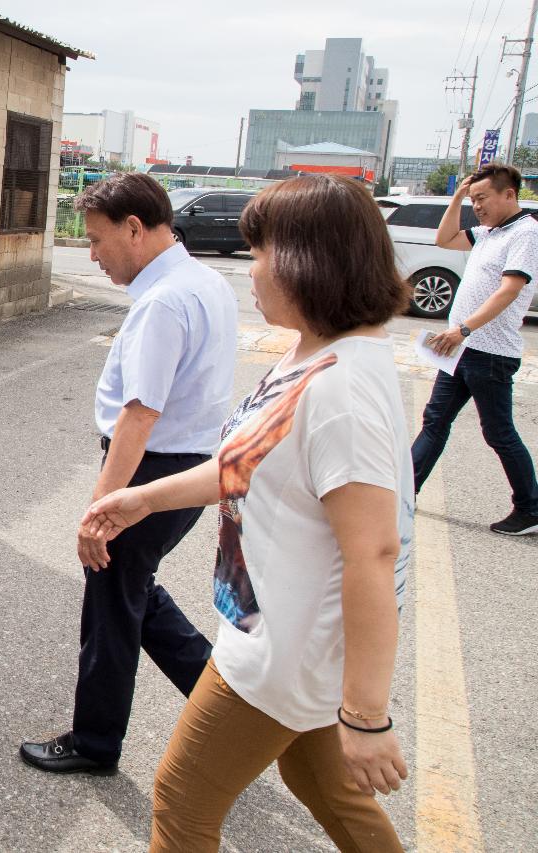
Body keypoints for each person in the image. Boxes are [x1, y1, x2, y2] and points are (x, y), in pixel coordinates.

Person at [81, 175, 413, 851]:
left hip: (284, 653)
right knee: (325, 789)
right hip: (288, 641)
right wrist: (141, 497)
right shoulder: (313, 352)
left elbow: (373, 552)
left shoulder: (342, 389)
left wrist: (368, 713)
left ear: (311, 263)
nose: (250, 271)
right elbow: (246, 463)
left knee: (181, 799)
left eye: (262, 254)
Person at [18, 173, 237, 774]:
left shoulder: (164, 302)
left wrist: (101, 508)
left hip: (153, 469)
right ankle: (228, 705)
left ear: (134, 229)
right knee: (132, 590)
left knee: (112, 603)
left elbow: (140, 415)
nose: (91, 254)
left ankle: (95, 742)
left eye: (95, 240)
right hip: (187, 464)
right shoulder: (205, 283)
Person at [412, 162, 538, 535]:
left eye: (483, 198)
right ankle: (407, 491)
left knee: (498, 432)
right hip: (462, 349)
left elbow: (509, 290)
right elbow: (445, 239)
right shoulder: (488, 233)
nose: (477, 206)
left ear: (509, 195)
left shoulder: (526, 233)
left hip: (490, 352)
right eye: (473, 199)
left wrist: (464, 329)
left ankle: (530, 506)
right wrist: (457, 197)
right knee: (435, 420)